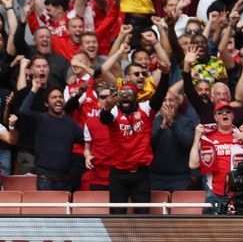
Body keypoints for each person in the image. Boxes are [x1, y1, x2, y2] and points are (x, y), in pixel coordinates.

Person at [99, 61, 170, 214]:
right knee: (117, 218)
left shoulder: (145, 108)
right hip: (118, 173)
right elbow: (104, 120)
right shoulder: (113, 112)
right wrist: (106, 107)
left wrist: (165, 74)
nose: (125, 98)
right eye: (122, 95)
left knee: (142, 218)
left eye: (129, 95)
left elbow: (160, 94)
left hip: (141, 173)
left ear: (136, 97)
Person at [19, 81, 83, 190]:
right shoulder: (40, 119)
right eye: (54, 97)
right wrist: (34, 88)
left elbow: (86, 140)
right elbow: (23, 111)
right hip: (45, 181)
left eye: (60, 97)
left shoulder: (71, 123)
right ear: (46, 103)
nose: (58, 99)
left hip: (66, 181)